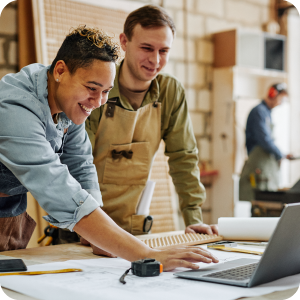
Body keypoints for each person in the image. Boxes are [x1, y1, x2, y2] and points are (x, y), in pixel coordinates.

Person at [0, 25, 218, 270]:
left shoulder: (66, 102)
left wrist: (95, 235)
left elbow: (81, 165)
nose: (98, 102)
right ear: (61, 70)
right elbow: (56, 188)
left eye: (105, 91)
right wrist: (146, 255)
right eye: (92, 88)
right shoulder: (14, 108)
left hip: (7, 215)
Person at [84, 5, 217, 255]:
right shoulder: (98, 86)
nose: (155, 60)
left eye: (163, 51)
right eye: (146, 48)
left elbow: (183, 157)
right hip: (83, 230)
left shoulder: (170, 92)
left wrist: (193, 216)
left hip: (135, 233)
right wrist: (89, 226)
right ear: (124, 42)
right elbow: (77, 162)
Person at [239, 83, 294, 201]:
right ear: (273, 94)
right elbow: (264, 139)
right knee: (259, 204)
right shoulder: (259, 112)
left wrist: (282, 155)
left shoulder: (266, 113)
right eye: (281, 99)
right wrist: (280, 154)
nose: (280, 103)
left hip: (264, 168)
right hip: (258, 166)